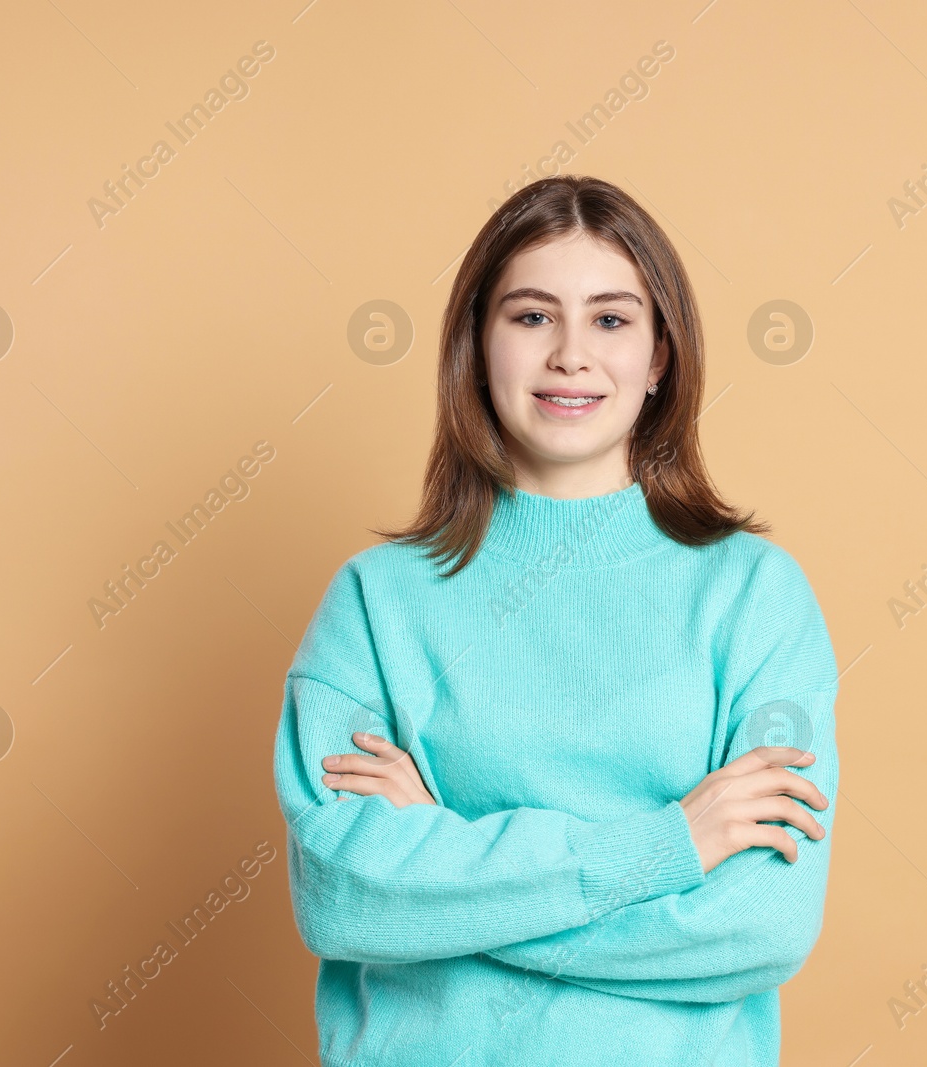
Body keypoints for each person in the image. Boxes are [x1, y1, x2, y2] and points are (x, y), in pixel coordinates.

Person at [271, 174, 839, 1067]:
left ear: (659, 357)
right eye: (532, 316)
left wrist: (452, 876)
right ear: (477, 344)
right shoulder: (375, 603)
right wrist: (668, 846)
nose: (571, 354)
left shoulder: (753, 595)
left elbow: (760, 924)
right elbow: (349, 898)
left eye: (611, 319)